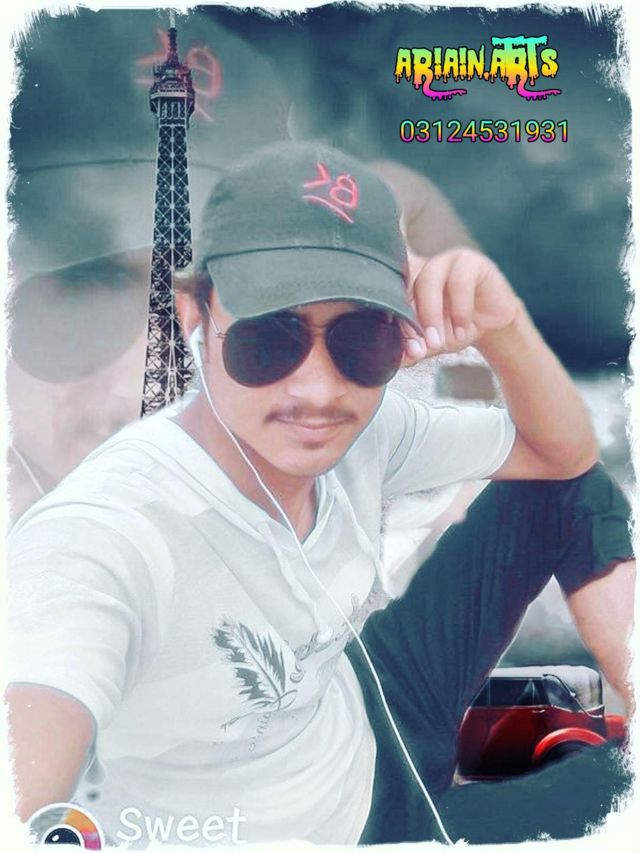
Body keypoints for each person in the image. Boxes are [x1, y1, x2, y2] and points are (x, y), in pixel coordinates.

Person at [6, 141, 635, 847]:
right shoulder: (101, 535)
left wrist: (505, 326)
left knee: (561, 489)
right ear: (193, 315)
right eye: (269, 338)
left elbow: (562, 457)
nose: (318, 390)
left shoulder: (369, 430)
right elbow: (24, 786)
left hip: (365, 704)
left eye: (361, 340)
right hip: (346, 833)